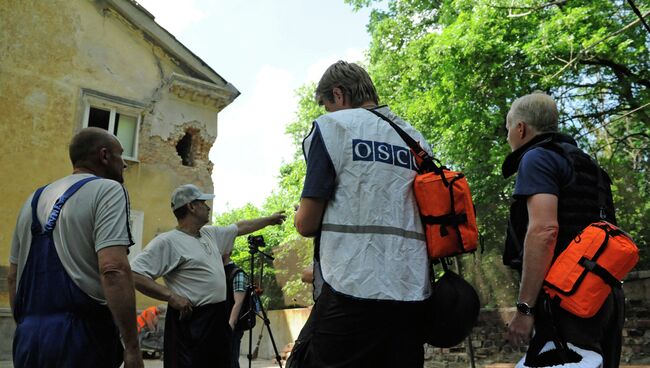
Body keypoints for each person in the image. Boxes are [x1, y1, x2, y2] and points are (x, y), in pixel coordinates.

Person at [293, 61, 431, 367]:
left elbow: (307, 223)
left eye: (327, 104)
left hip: (351, 286)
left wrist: (297, 215)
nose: (328, 112)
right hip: (412, 289)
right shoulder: (415, 139)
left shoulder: (332, 128)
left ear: (338, 95)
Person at [502, 92, 623, 367]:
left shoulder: (537, 158)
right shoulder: (587, 164)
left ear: (520, 128)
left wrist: (524, 308)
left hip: (566, 300)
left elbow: (544, 231)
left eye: (508, 127)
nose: (508, 135)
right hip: (605, 297)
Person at [7, 127, 143, 368]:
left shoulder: (32, 200)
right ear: (104, 156)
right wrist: (132, 346)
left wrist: (27, 328)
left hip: (28, 337)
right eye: (121, 155)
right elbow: (113, 268)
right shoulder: (108, 191)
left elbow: (12, 276)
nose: (124, 163)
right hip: (81, 338)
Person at [129, 183, 286, 368]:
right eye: (204, 202)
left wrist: (269, 220)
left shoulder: (210, 234)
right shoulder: (168, 242)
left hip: (217, 319)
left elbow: (241, 226)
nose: (208, 206)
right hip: (192, 323)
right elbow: (134, 274)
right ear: (191, 206)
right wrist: (171, 297)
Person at [223, 252, 249, 368]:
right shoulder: (218, 272)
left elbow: (238, 302)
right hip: (218, 325)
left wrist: (230, 326)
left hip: (231, 327)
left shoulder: (237, 273)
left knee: (231, 360)